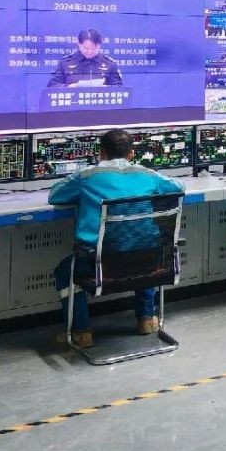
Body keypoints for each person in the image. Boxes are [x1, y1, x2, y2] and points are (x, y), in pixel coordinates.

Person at [49, 129, 184, 349]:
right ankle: (146, 319)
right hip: (150, 261)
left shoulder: (87, 176)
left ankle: (81, 332)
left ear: (101, 152)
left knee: (65, 272)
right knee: (142, 249)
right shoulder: (148, 175)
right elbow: (179, 188)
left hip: (102, 265)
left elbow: (55, 195)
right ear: (132, 154)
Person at [47, 28, 123, 87]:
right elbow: (52, 86)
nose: (90, 51)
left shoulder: (110, 64)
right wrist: (68, 87)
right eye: (86, 48)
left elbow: (119, 88)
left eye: (94, 48)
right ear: (79, 44)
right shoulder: (65, 63)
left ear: (100, 45)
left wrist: (106, 89)